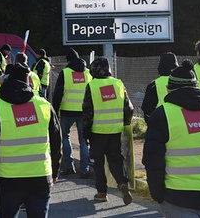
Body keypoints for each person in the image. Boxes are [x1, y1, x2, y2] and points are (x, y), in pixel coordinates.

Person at [0, 63, 61, 218]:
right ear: (29, 82)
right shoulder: (44, 106)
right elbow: (57, 143)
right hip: (40, 176)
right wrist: (55, 170)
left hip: (9, 179)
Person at [143, 60, 200, 217]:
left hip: (178, 199)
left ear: (168, 89)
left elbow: (153, 161)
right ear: (197, 86)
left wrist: (158, 195)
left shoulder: (162, 115)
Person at [83, 57, 133, 205]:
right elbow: (129, 108)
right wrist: (125, 124)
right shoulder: (118, 83)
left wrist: (85, 132)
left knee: (98, 164)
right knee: (115, 160)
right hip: (115, 130)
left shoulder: (92, 86)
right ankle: (122, 183)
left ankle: (101, 193)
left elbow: (87, 112)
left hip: (97, 132)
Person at [52, 48, 93, 178]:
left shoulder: (65, 73)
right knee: (84, 140)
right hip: (84, 111)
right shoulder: (88, 73)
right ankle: (85, 169)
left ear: (68, 60)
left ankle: (69, 166)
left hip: (67, 111)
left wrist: (54, 110)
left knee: (65, 137)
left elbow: (58, 93)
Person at [141, 52, 178, 123]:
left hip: (162, 124)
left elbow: (147, 111)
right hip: (181, 123)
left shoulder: (153, 85)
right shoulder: (185, 81)